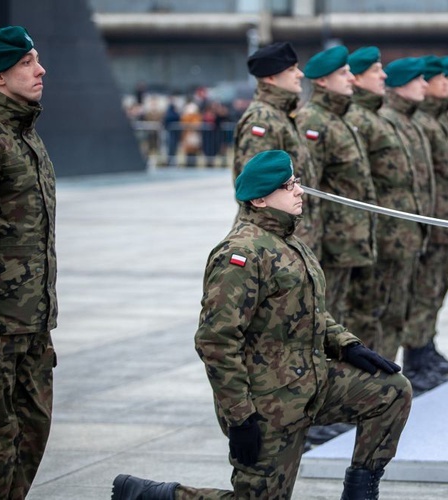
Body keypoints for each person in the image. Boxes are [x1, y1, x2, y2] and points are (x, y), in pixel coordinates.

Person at [111, 150, 411, 500]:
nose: (299, 190)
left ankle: (360, 491)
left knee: (392, 390)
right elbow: (216, 342)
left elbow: (311, 312)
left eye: (296, 181)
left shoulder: (289, 242)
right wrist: (240, 418)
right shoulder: (240, 254)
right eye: (288, 185)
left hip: (312, 383)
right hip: (268, 403)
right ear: (260, 199)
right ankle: (156, 496)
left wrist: (347, 344)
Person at [0, 26, 58, 499]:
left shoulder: (24, 136)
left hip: (32, 324)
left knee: (31, 436)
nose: (40, 69)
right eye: (27, 62)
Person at [343, 47, 424, 363]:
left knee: (393, 311)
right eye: (376, 71)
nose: (384, 76)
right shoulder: (357, 119)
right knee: (367, 315)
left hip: (398, 235)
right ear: (357, 78)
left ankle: (386, 380)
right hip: (379, 236)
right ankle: (369, 387)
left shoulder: (377, 117)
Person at [295, 45, 377, 326]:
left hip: (348, 237)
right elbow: (307, 186)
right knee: (326, 316)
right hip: (330, 240)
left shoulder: (338, 118)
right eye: (343, 74)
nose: (351, 78)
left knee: (342, 314)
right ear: (321, 81)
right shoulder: (312, 119)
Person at [377, 57, 440, 393]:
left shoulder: (410, 122)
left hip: (411, 232)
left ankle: (395, 370)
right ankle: (383, 376)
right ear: (401, 84)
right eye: (418, 80)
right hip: (392, 235)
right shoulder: (387, 121)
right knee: (386, 309)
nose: (424, 86)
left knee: (405, 304)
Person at [408, 55, 448, 381]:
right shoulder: (422, 121)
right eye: (447, 79)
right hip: (433, 224)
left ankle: (427, 346)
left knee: (436, 289)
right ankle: (416, 358)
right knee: (423, 291)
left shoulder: (443, 119)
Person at [232, 41, 321, 256]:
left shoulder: (281, 115)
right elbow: (257, 187)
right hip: (273, 243)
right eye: (291, 70)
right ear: (271, 78)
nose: (299, 74)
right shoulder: (263, 119)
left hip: (291, 235)